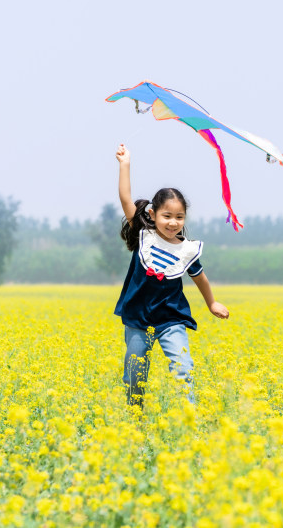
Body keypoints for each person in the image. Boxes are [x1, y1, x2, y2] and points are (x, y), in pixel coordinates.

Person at [114, 143, 229, 409]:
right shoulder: (145, 235)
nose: (173, 222)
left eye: (179, 216)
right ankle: (135, 421)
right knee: (134, 376)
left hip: (171, 318)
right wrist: (125, 164)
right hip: (138, 318)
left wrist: (212, 303)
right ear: (153, 215)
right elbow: (125, 199)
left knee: (182, 370)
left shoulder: (186, 249)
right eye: (167, 215)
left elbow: (200, 277)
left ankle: (186, 419)